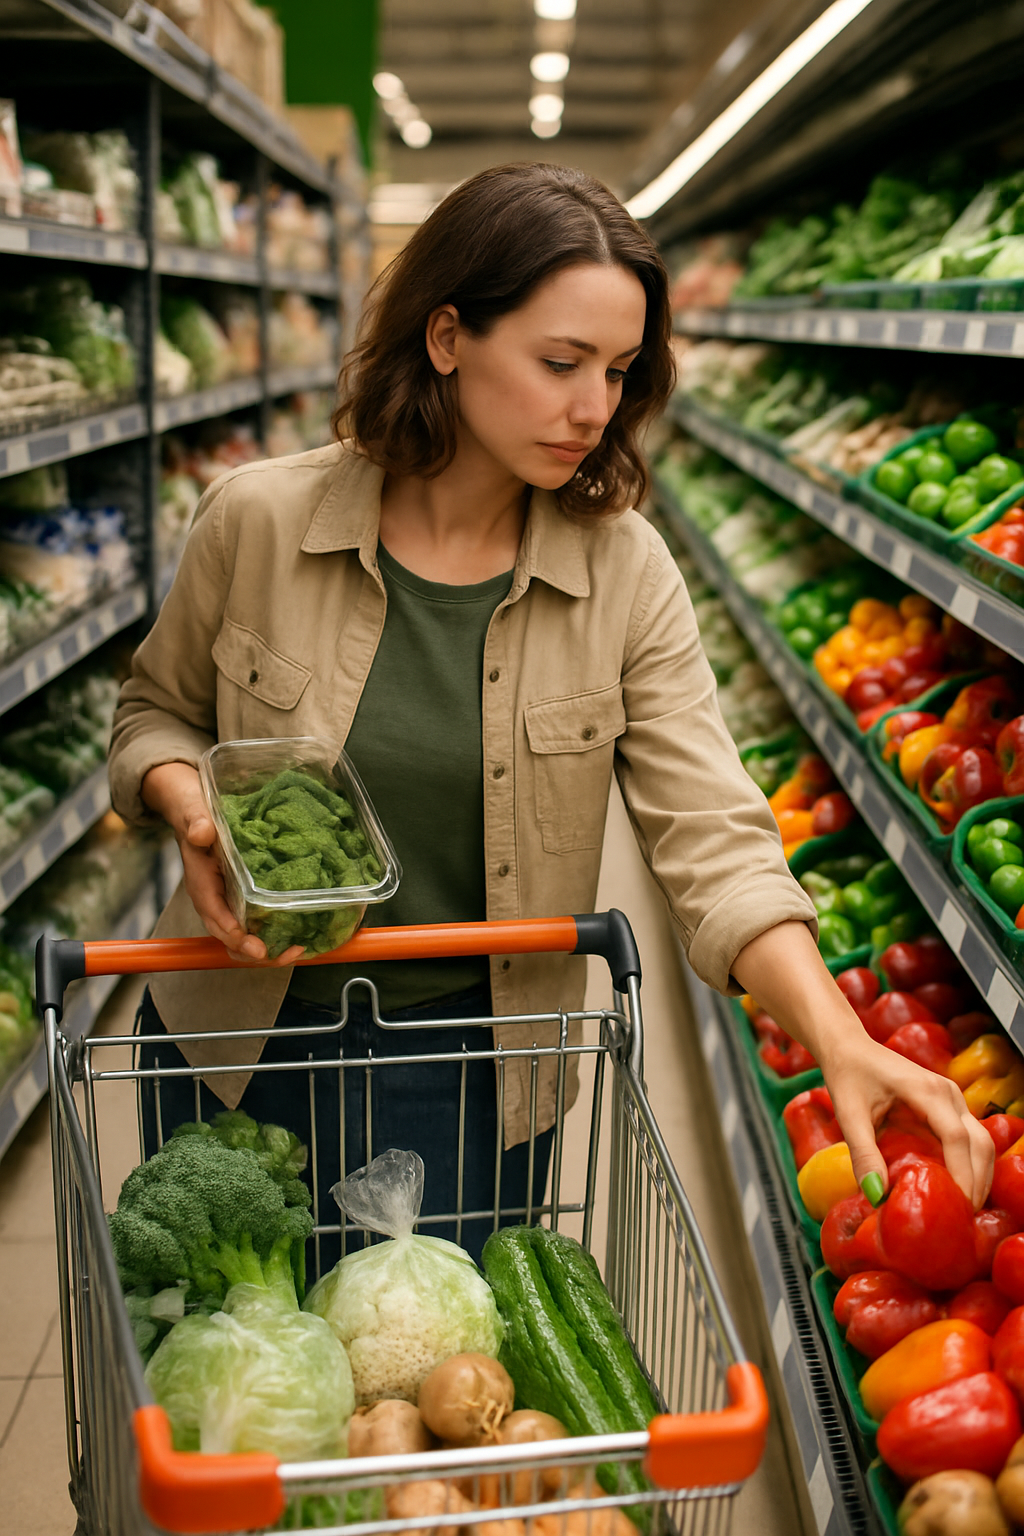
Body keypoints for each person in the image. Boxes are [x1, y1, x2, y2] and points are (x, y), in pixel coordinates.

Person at [109, 163, 992, 1269]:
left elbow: (714, 839)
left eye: (619, 372)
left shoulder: (624, 572)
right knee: (228, 1390)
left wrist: (837, 1035)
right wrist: (189, 804)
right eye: (560, 362)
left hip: (478, 1070)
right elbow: (155, 712)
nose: (593, 409)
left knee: (436, 1395)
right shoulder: (259, 520)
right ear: (446, 338)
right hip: (238, 1041)